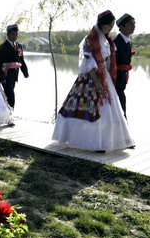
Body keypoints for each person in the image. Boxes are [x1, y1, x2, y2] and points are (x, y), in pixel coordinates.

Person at [52, 10, 135, 152]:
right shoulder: (89, 39)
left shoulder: (107, 40)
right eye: (109, 25)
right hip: (90, 78)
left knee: (110, 110)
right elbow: (88, 61)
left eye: (112, 25)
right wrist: (97, 81)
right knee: (90, 108)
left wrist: (108, 77)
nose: (111, 28)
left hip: (104, 76)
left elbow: (108, 61)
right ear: (103, 24)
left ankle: (109, 141)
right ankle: (94, 143)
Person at [0, 24, 29, 110]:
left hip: (14, 75)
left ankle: (5, 113)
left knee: (8, 95)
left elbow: (21, 60)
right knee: (11, 95)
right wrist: (1, 77)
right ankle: (10, 115)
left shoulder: (19, 46)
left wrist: (25, 72)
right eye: (13, 34)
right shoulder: (2, 47)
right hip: (6, 76)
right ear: (8, 35)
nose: (15, 36)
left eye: (16, 34)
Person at [114, 13, 135, 117]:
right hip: (115, 82)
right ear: (122, 27)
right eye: (130, 24)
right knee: (119, 107)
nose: (134, 26)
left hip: (122, 81)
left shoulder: (128, 42)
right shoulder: (115, 43)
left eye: (134, 24)